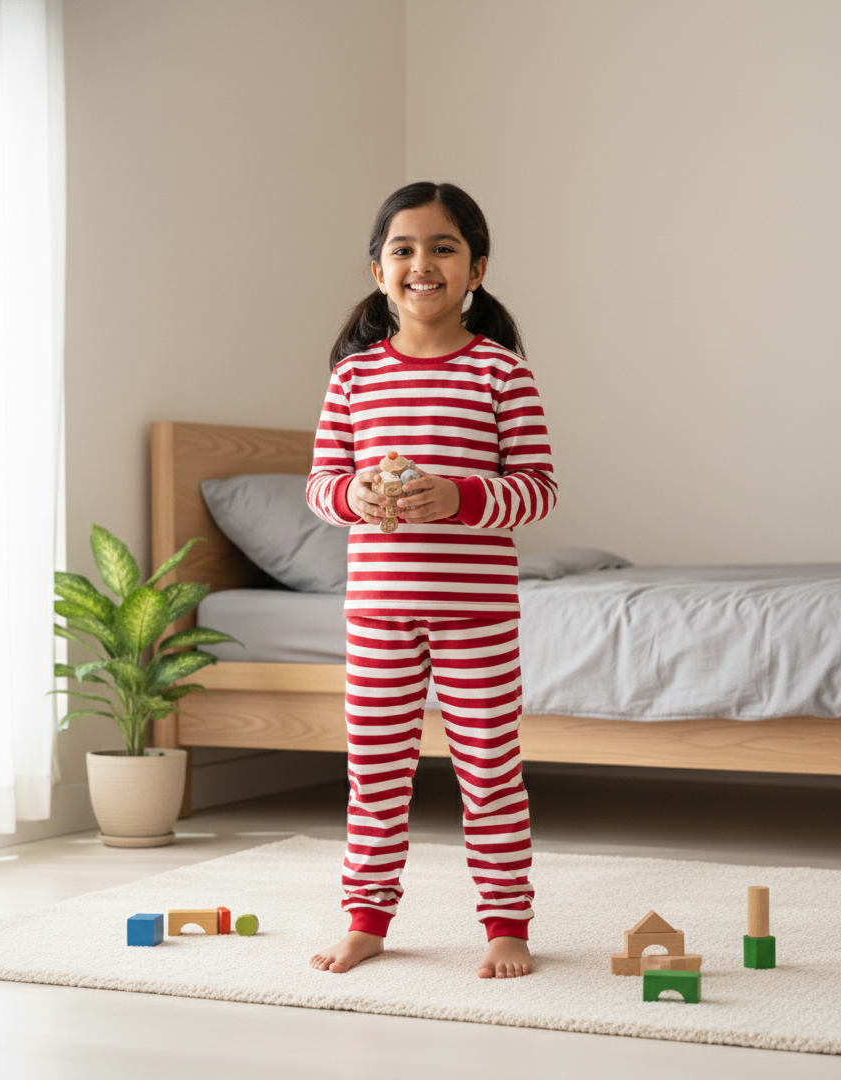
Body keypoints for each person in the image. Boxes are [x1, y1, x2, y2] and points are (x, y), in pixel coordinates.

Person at [306, 181, 557, 979]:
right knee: (375, 772)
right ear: (377, 271)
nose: (423, 263)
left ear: (476, 267)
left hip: (478, 615)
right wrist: (357, 496)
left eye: (443, 247)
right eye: (403, 249)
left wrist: (459, 497)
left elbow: (539, 489)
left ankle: (506, 925)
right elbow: (319, 486)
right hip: (378, 613)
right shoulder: (353, 380)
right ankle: (368, 917)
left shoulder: (501, 376)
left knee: (489, 772)